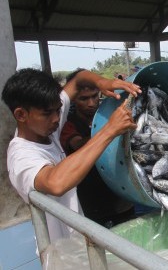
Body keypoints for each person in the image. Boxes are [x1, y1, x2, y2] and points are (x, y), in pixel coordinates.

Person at [2, 68, 141, 242]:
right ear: (21, 115)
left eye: (58, 111)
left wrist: (102, 82)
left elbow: (78, 80)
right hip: (61, 250)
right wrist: (109, 131)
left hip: (76, 240)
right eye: (48, 113)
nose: (56, 119)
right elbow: (56, 183)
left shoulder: (45, 130)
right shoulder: (21, 156)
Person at [60, 70, 135, 228]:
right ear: (73, 100)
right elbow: (78, 144)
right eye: (84, 99)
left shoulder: (108, 115)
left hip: (122, 199)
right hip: (92, 204)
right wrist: (109, 129)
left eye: (95, 96)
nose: (91, 103)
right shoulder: (69, 125)